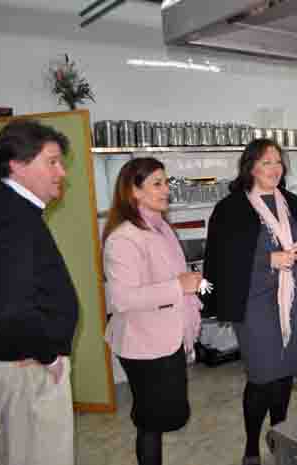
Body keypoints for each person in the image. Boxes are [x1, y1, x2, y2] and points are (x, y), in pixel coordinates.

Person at [202, 138, 297, 465]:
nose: (275, 169)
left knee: (285, 373)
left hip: (291, 298)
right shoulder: (231, 209)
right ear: (251, 168)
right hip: (254, 302)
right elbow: (223, 259)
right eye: (266, 162)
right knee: (262, 376)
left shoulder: (290, 201)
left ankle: (279, 435)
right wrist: (267, 260)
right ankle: (250, 447)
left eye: (278, 162)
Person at [0, 120, 79, 465]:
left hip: (18, 361)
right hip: (27, 370)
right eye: (52, 162)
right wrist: (48, 354)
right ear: (18, 165)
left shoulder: (4, 207)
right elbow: (11, 307)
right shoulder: (14, 219)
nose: (61, 172)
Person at [102, 157, 203, 465]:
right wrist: (178, 286)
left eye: (166, 182)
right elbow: (123, 299)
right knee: (151, 420)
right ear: (134, 191)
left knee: (163, 417)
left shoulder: (160, 228)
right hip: (143, 344)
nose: (166, 190)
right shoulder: (123, 238)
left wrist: (187, 285)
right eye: (157, 184)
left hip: (167, 336)